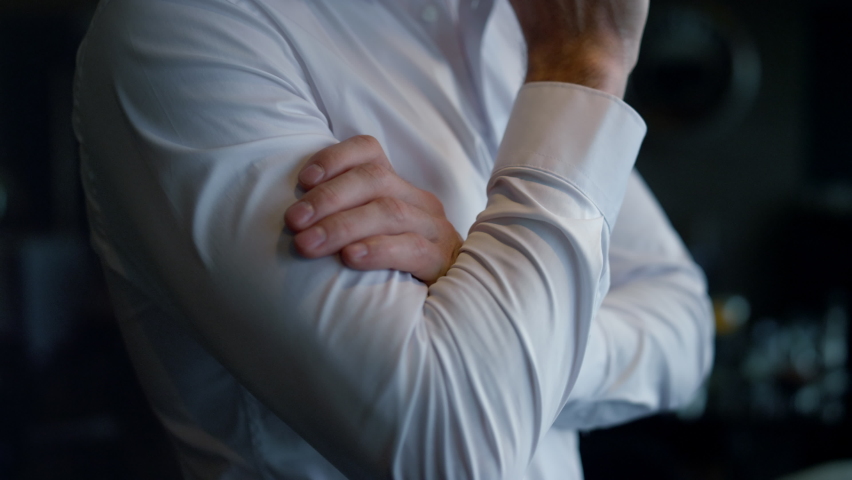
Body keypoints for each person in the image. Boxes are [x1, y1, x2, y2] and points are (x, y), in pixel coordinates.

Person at [73, 0, 714, 478]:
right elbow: (454, 448)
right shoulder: (189, 26)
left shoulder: (509, 31)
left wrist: (494, 306)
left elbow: (685, 321)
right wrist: (587, 68)